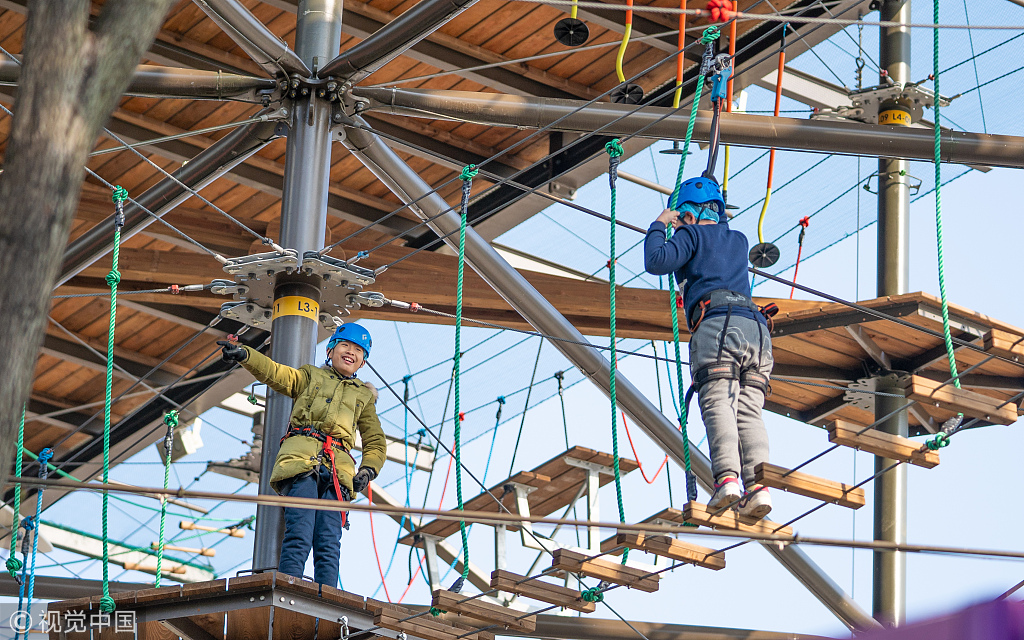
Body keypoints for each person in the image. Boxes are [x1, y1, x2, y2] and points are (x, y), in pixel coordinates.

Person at [643, 177, 775, 519]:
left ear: (685, 215)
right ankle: (758, 488)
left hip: (718, 324)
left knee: (718, 400)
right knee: (749, 411)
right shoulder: (737, 239)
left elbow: (657, 261)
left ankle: (728, 480)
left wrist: (660, 224)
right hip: (757, 332)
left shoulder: (689, 235)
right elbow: (719, 224)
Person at [217, 323, 388, 583]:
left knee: (329, 542)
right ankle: (289, 590)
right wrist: (245, 355)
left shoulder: (362, 397)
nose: (350, 352)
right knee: (300, 532)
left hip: (337, 474)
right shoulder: (310, 377)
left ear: (363, 362)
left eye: (357, 350)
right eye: (345, 345)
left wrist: (368, 469)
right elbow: (276, 374)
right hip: (301, 463)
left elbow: (375, 439)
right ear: (330, 351)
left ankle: (326, 605)